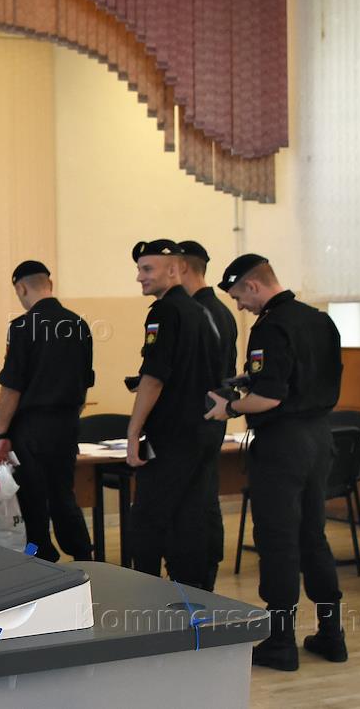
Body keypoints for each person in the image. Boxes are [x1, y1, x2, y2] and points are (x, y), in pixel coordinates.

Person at [206, 254, 346, 672]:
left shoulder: (270, 327)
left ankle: (281, 642)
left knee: (278, 539)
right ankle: (332, 634)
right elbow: (304, 377)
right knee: (313, 535)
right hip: (320, 437)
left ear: (253, 286)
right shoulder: (320, 320)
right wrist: (251, 383)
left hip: (283, 444)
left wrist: (229, 407)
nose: (240, 306)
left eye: (239, 297)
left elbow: (270, 397)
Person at [126, 240, 221, 589]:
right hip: (201, 433)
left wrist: (133, 432)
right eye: (139, 269)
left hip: (171, 438)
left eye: (147, 269)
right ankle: (193, 599)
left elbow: (154, 377)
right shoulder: (202, 312)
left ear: (173, 269)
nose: (140, 277)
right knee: (188, 520)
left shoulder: (164, 312)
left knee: (147, 521)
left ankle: (147, 598)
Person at [0, 260, 94, 563]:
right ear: (49, 284)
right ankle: (84, 556)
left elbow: (12, 387)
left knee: (34, 499)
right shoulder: (79, 325)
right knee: (63, 493)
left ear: (22, 288)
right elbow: (85, 383)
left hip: (32, 428)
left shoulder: (22, 327)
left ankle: (40, 560)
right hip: (67, 424)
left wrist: (1, 433)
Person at [178, 239, 238, 591]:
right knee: (204, 495)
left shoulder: (198, 312)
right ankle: (203, 570)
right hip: (212, 415)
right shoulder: (221, 311)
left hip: (197, 420)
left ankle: (198, 577)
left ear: (183, 267)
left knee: (195, 501)